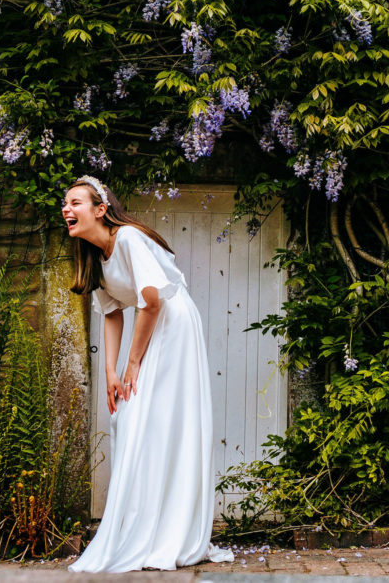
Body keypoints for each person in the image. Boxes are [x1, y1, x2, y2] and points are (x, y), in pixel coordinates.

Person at [62, 175, 234, 573]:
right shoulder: (94, 257)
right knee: (131, 419)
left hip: (171, 328)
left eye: (75, 203)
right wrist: (110, 372)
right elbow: (111, 314)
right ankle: (147, 528)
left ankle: (168, 534)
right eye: (65, 206)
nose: (66, 211)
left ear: (100, 210)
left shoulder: (128, 240)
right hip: (147, 327)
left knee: (149, 421)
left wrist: (133, 362)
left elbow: (152, 301)